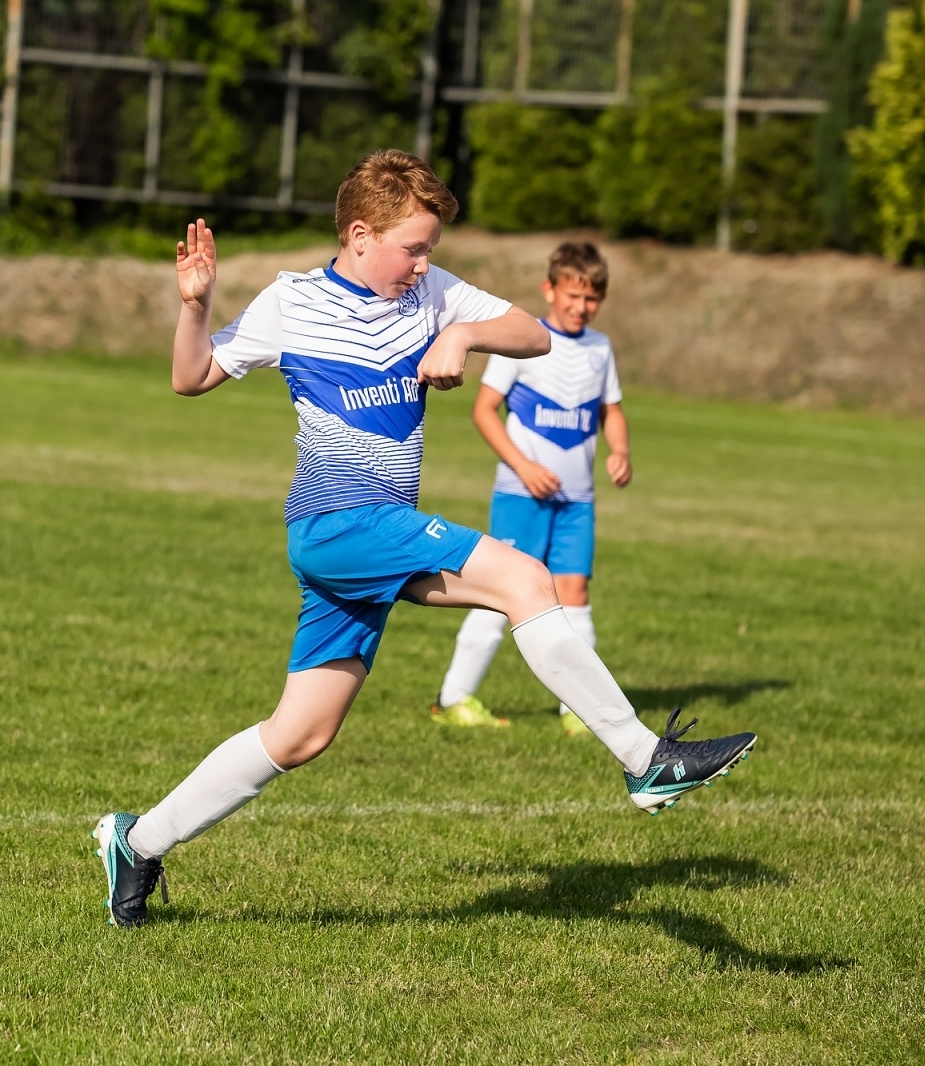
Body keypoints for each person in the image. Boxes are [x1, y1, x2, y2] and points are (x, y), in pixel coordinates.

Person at [92, 150, 756, 928]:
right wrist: (196, 304)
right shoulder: (292, 301)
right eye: (413, 247)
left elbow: (535, 337)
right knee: (524, 581)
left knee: (301, 733)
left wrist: (465, 334)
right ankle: (647, 759)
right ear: (361, 235)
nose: (423, 262)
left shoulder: (432, 294)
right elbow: (191, 375)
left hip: (366, 537)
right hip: (337, 522)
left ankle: (136, 843)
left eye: (431, 249)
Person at [430, 241, 629, 737]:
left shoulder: (600, 349)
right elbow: (483, 410)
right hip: (521, 497)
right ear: (550, 289)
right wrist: (524, 467)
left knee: (575, 593)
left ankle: (580, 710)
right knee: (502, 593)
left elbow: (611, 410)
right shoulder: (524, 342)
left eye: (591, 299)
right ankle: (453, 697)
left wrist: (619, 450)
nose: (581, 307)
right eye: (573, 295)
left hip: (577, 502)